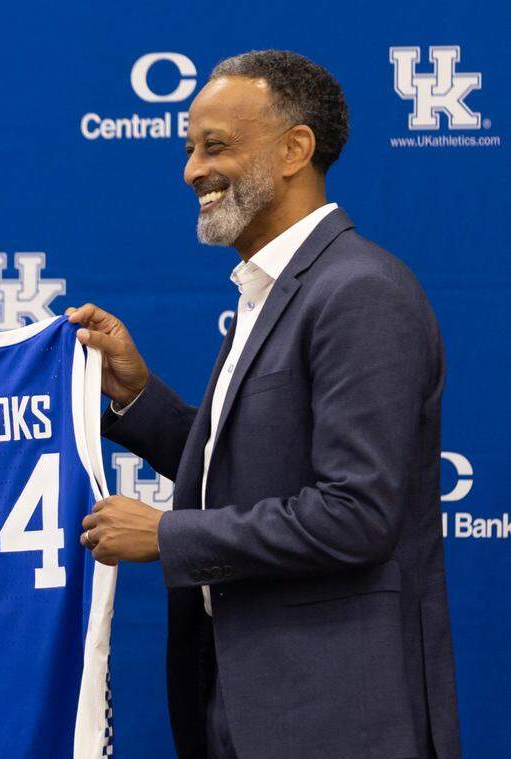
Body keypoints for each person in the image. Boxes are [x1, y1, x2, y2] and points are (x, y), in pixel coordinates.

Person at [67, 51, 461, 758]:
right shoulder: (272, 290)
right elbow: (250, 471)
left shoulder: (359, 291)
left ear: (294, 149)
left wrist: (168, 536)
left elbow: (356, 515)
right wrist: (136, 395)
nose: (192, 171)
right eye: (189, 150)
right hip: (244, 703)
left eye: (215, 146)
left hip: (335, 721)